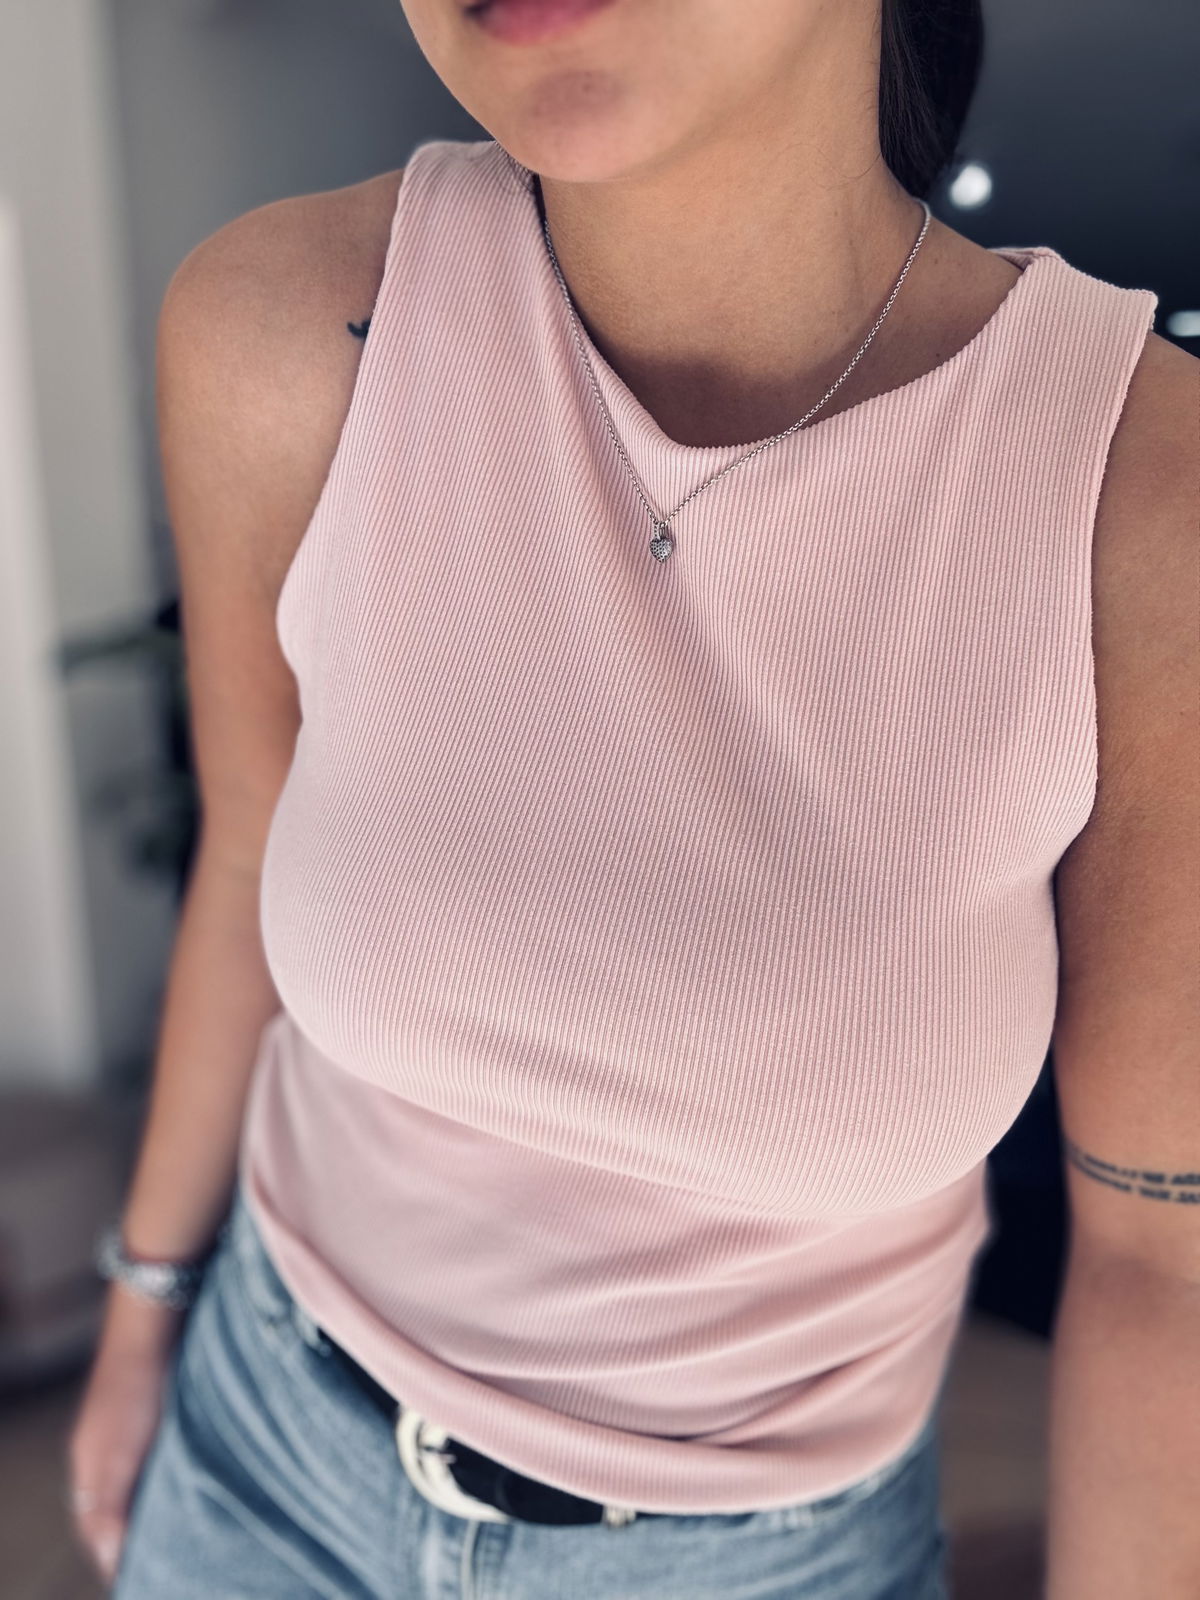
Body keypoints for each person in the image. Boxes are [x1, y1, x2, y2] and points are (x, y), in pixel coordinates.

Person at [68, 0, 1199, 1596]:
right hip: (260, 1472)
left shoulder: (1145, 501)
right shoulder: (287, 331)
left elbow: (1164, 1257)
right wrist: (143, 1319)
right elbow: (250, 852)